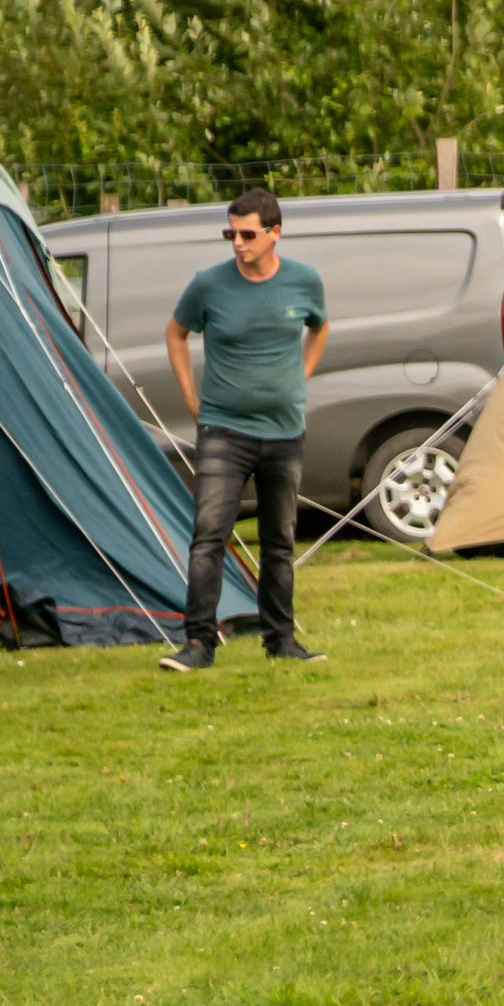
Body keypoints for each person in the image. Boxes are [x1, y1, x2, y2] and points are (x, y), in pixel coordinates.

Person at [162, 188, 330, 670]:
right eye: (229, 233)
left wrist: (302, 376)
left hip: (284, 433)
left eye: (247, 233)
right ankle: (198, 644)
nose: (237, 242)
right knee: (209, 535)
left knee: (279, 540)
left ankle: (281, 641)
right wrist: (192, 400)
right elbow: (175, 332)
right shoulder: (207, 285)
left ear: (275, 233)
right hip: (223, 430)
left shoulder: (304, 282)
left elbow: (320, 327)